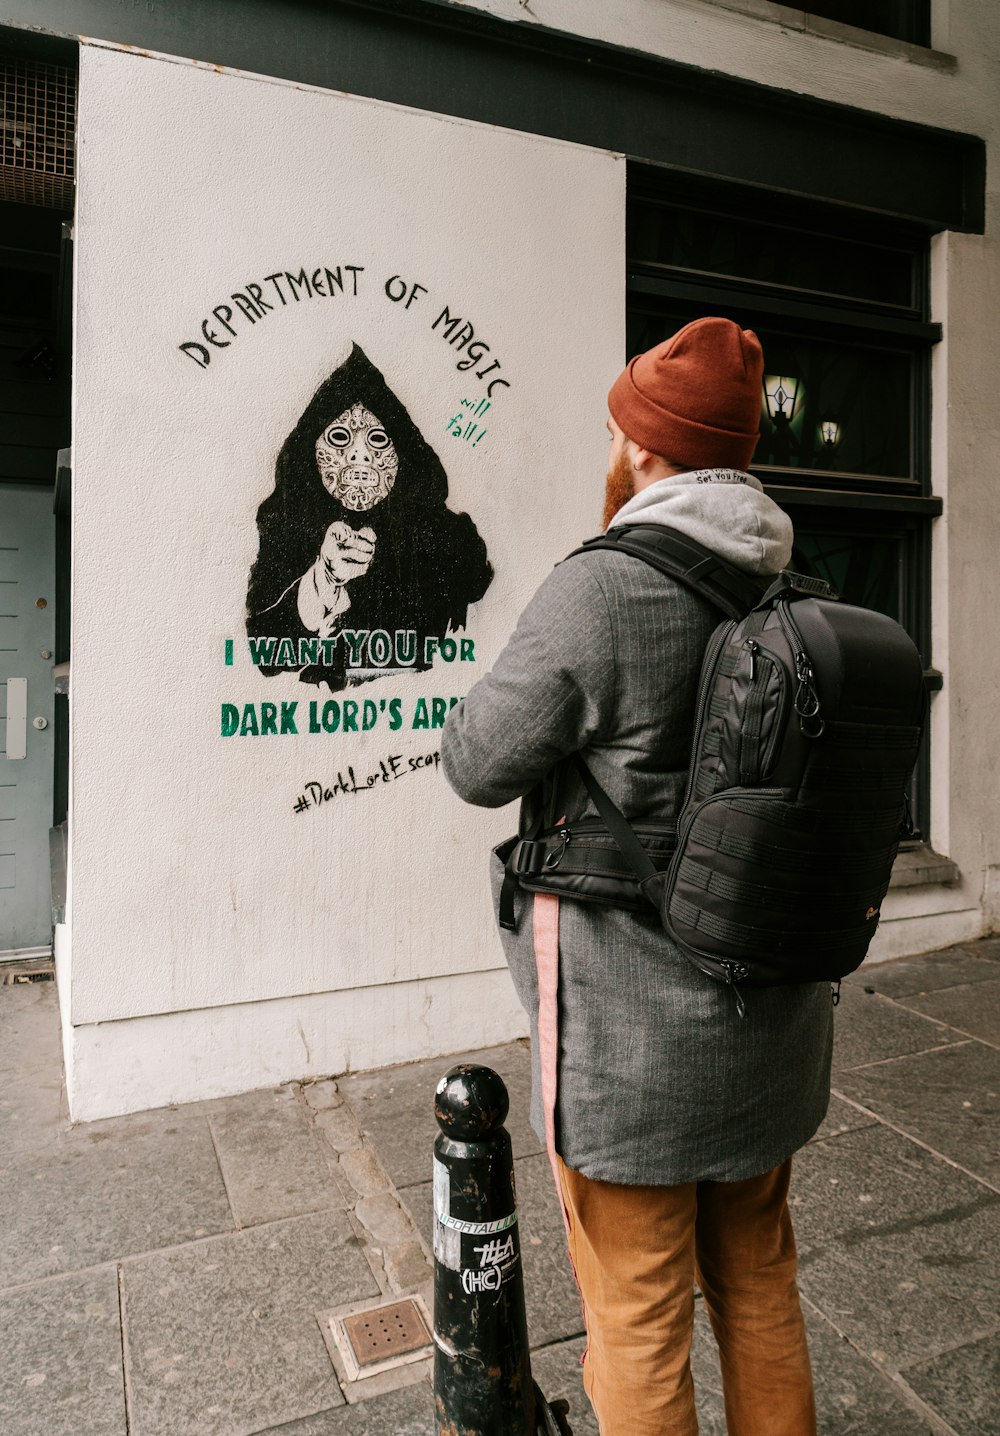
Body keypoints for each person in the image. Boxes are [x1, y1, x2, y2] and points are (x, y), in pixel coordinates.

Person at [440, 317, 832, 1435]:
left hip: (630, 1043)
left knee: (639, 1312)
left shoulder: (601, 589)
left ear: (643, 448)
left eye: (618, 431)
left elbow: (476, 759)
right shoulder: (798, 582)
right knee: (759, 1283)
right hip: (773, 1022)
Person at [246, 343, 493, 691]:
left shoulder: (446, 538)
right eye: (340, 437)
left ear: (401, 451)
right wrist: (324, 580)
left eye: (377, 439)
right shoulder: (283, 525)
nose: (359, 457)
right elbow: (265, 652)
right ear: (312, 449)